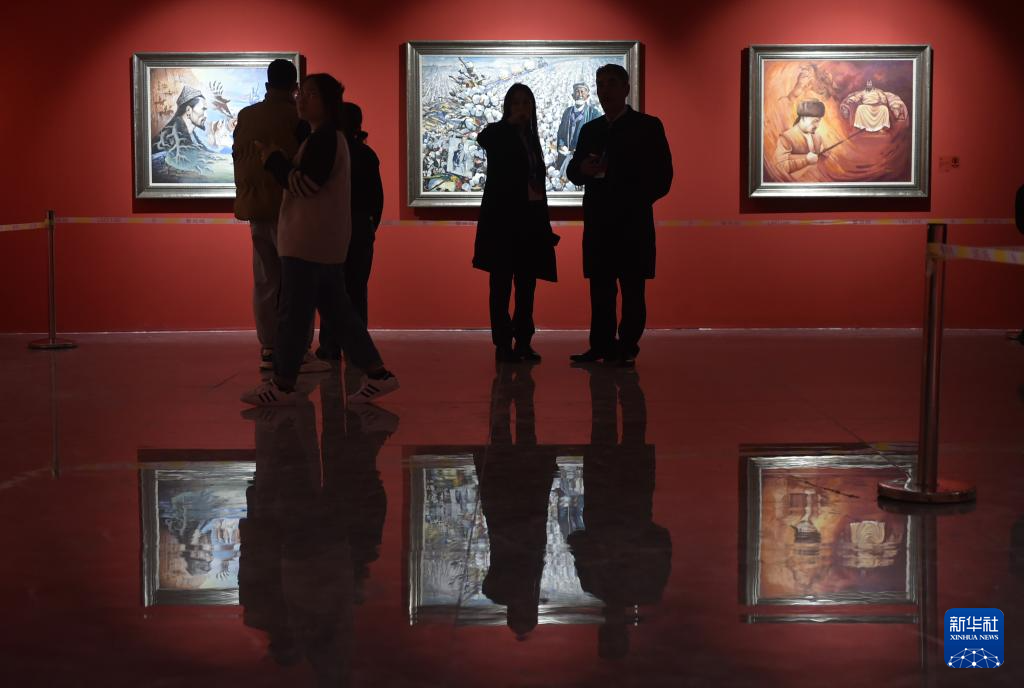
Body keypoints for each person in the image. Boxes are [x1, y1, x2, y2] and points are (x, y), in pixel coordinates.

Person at [240, 73, 399, 406]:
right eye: (302, 93)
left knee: (293, 315)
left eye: (310, 94)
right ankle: (378, 374)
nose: (301, 99)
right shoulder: (323, 138)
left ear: (327, 102)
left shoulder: (325, 139)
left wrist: (274, 160)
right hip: (319, 242)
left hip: (308, 242)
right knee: (339, 314)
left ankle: (282, 385)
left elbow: (305, 185)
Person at [566, 64, 673, 367]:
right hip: (599, 224)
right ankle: (600, 345)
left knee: (632, 290)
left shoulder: (647, 127)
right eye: (600, 84)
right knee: (600, 290)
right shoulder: (591, 130)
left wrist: (632, 198)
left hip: (632, 224)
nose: (605, 90)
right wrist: (582, 169)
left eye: (612, 83)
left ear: (626, 88)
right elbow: (574, 172)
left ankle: (626, 347)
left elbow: (663, 177)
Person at [233, 59, 330, 375]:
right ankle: (298, 351)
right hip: (291, 210)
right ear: (295, 87)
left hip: (256, 210)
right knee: (296, 283)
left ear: (267, 84)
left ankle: (269, 347)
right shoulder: (298, 118)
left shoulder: (247, 116)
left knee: (265, 281)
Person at [473, 83, 559, 363]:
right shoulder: (500, 134)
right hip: (502, 224)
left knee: (526, 287)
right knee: (500, 287)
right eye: (516, 102)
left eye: (526, 103)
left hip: (529, 224)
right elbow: (484, 138)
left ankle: (523, 341)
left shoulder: (531, 139)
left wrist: (544, 226)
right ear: (508, 107)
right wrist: (509, 123)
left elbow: (537, 184)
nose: (522, 108)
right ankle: (502, 343)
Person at [316, 102, 384, 362]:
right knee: (357, 290)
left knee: (332, 288)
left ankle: (329, 346)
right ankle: (358, 349)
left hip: (332, 227)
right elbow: (377, 199)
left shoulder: (329, 152)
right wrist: (370, 226)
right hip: (360, 228)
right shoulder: (366, 154)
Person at [773, 99, 826, 177]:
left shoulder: (817, 137)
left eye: (819, 121)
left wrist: (824, 154)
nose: (817, 125)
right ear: (804, 117)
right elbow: (780, 167)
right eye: (815, 121)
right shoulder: (786, 138)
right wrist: (806, 160)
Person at [555, 82, 600, 173]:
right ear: (573, 96)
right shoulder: (567, 112)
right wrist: (561, 145)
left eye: (582, 92)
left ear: (587, 96)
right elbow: (560, 133)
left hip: (584, 162)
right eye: (577, 92)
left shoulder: (594, 114)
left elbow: (597, 140)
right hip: (565, 157)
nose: (580, 95)